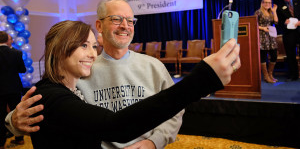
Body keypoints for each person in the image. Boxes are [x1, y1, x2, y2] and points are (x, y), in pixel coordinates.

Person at [12, 20, 240, 149]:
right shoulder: (50, 95)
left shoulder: (66, 89)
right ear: (61, 48)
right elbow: (116, 126)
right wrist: (201, 80)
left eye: (93, 46)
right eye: (83, 45)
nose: (92, 54)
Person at [6, 0, 185, 149]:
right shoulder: (81, 69)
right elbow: (43, 107)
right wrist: (13, 120)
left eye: (130, 21)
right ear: (99, 25)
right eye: (116, 19)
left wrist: (154, 142)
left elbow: (175, 109)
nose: (125, 26)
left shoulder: (154, 67)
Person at [0, 31, 26, 149]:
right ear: (7, 40)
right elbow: (22, 70)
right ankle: (19, 139)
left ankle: (1, 142)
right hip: (14, 87)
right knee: (17, 112)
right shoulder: (16, 53)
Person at [276, 0, 300, 81]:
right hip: (289, 33)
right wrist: (284, 22)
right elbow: (278, 22)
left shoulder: (298, 1)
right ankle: (293, 75)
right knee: (290, 55)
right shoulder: (280, 7)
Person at [254, 0, 278, 83]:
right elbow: (254, 24)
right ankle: (266, 76)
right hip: (262, 36)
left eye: (269, 2)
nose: (268, 4)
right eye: (266, 2)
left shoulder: (271, 12)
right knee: (263, 56)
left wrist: (274, 11)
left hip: (271, 35)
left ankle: (270, 74)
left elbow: (276, 22)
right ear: (262, 3)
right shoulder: (258, 12)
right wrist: (263, 28)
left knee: (274, 55)